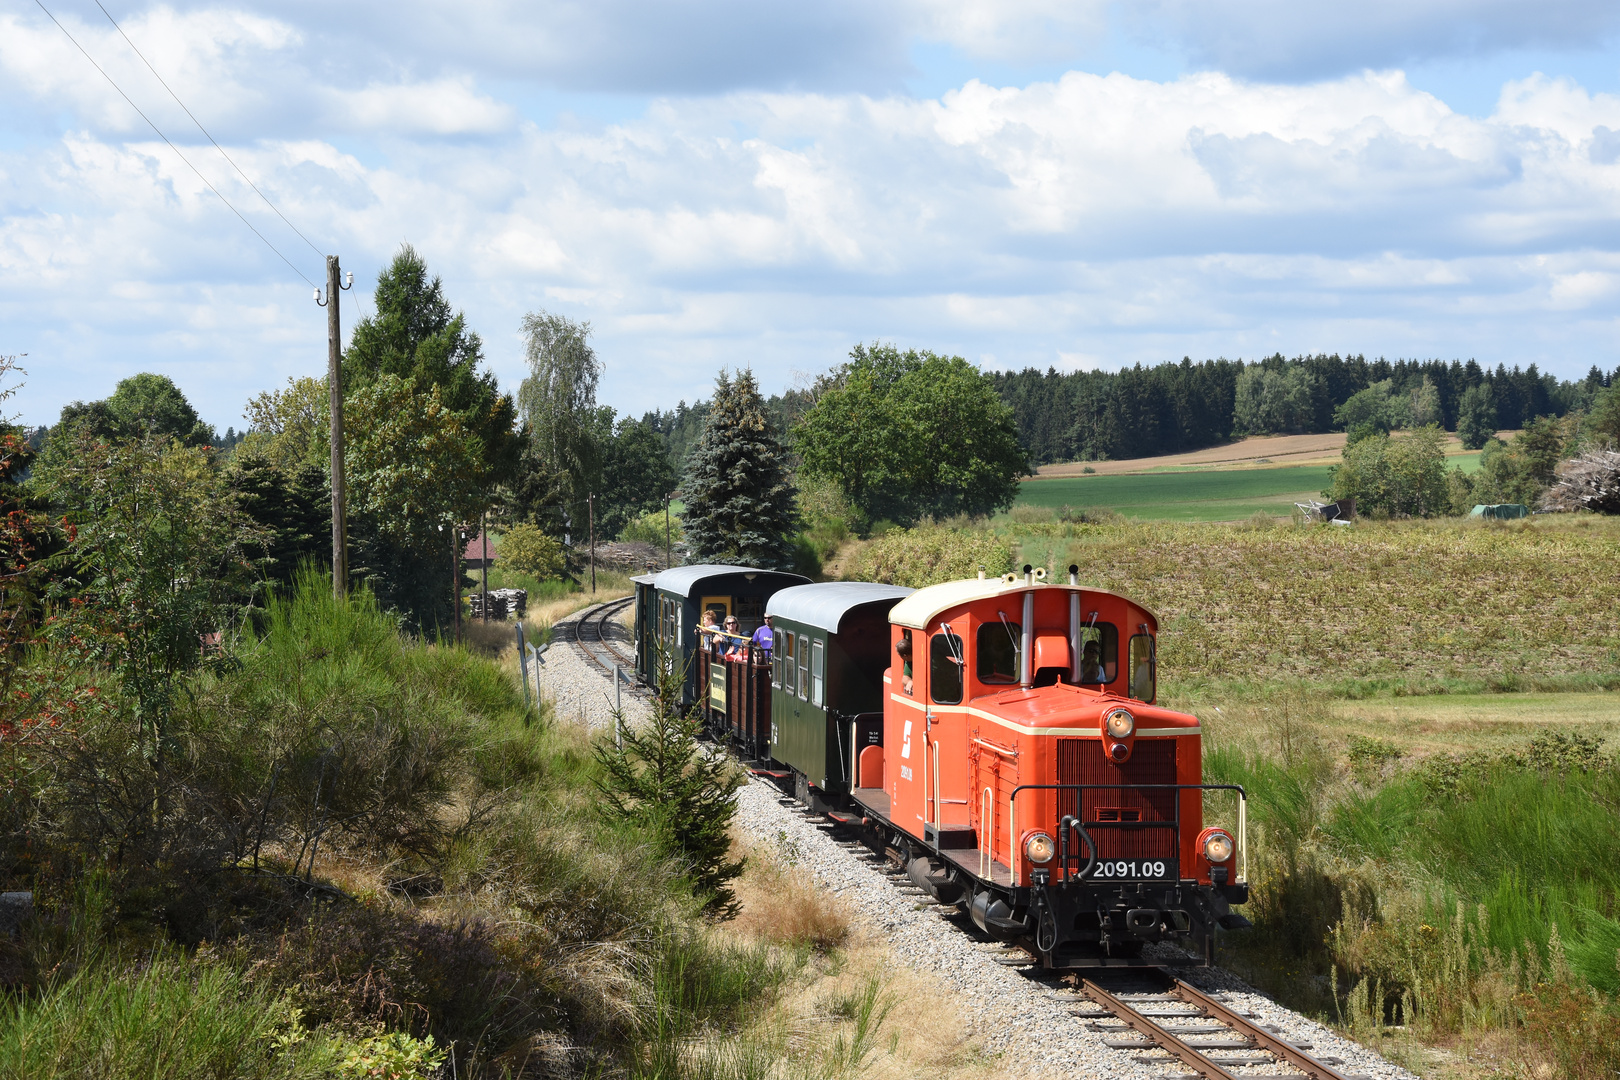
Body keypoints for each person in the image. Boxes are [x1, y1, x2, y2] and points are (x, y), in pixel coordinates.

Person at [896, 630, 914, 695]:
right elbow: (905, 677)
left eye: (899, 655)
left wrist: (914, 682)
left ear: (905, 656)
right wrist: (909, 681)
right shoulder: (908, 661)